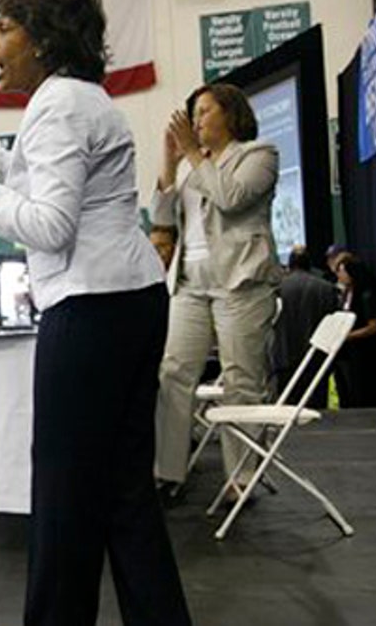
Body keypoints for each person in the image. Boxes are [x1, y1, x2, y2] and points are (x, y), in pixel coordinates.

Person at [0, 0, 190, 625]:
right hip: (132, 300)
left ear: (43, 38)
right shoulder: (82, 98)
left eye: (5, 29)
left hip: (90, 309)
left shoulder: (56, 104)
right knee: (125, 494)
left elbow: (50, 224)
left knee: (63, 495)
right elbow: (41, 173)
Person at [151, 82, 282, 495]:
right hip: (190, 283)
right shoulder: (194, 167)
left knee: (241, 378)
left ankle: (241, 479)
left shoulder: (259, 155)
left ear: (231, 114)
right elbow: (160, 219)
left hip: (240, 282)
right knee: (173, 372)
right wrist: (171, 164)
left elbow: (232, 197)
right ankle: (167, 472)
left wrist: (192, 153)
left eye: (204, 111)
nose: (195, 119)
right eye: (194, 113)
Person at [273, 246, 340, 408]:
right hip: (316, 355)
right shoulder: (327, 288)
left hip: (284, 353)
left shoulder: (277, 288)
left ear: (289, 265)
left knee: (286, 406)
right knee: (317, 406)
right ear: (309, 264)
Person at [334, 258, 376, 406]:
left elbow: (374, 326)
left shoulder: (367, 294)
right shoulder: (346, 293)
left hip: (364, 352)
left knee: (363, 390)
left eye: (342, 271)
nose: (339, 276)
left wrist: (348, 336)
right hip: (348, 352)